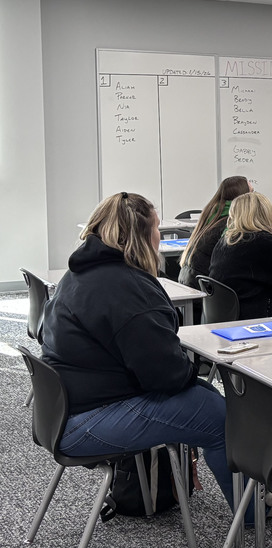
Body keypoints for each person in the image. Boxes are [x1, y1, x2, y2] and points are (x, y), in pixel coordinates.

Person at [40, 192, 238, 513]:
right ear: (141, 236)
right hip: (85, 422)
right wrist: (192, 371)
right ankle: (253, 516)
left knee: (204, 398)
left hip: (60, 414)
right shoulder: (128, 289)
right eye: (157, 228)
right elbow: (167, 376)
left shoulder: (76, 275)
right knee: (221, 416)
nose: (160, 236)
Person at [209, 191, 272, 320]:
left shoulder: (226, 241)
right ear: (266, 214)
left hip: (229, 319)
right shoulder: (265, 244)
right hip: (261, 321)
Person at [178, 175, 251, 289]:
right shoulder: (231, 224)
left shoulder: (213, 215)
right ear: (243, 199)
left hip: (190, 284)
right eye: (252, 192)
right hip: (204, 294)